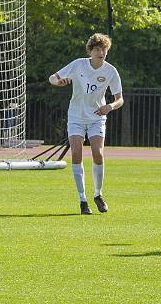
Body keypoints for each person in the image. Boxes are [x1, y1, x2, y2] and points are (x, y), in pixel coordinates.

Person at [49, 33, 123, 215]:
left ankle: (98, 194)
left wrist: (110, 106)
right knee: (76, 152)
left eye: (104, 49)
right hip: (76, 117)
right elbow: (52, 78)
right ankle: (83, 199)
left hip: (97, 117)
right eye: (97, 49)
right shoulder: (78, 64)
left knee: (98, 153)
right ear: (90, 51)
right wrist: (60, 82)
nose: (101, 52)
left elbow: (120, 99)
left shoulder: (110, 71)